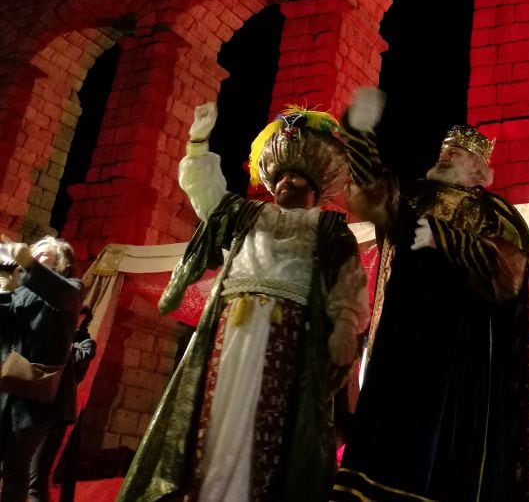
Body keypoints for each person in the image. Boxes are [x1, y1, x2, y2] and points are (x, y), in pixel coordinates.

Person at [118, 103, 369, 502]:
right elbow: (208, 198)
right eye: (281, 176)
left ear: (314, 189)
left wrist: (343, 326)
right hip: (229, 331)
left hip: (289, 336)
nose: (285, 182)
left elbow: (348, 283)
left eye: (295, 178)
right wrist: (198, 145)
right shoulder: (246, 214)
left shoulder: (329, 230)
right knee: (218, 411)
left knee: (271, 414)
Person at [332, 88, 529, 502]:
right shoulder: (412, 194)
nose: (445, 155)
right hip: (401, 327)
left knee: (444, 432)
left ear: (479, 169)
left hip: (458, 342)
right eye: (445, 150)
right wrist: (358, 133)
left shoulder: (494, 211)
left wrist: (447, 239)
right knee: (390, 419)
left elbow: (517, 270)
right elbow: (372, 191)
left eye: (457, 153)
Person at [0, 236, 84, 502]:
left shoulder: (71, 288)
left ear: (60, 261)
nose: (34, 252)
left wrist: (25, 260)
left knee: (17, 465)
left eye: (42, 251)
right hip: (6, 387)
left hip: (35, 393)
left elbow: (62, 295)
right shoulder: (20, 292)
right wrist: (4, 286)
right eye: (32, 249)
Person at [27, 305, 97, 502]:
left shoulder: (86, 343)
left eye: (79, 318)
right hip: (31, 409)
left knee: (36, 475)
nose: (75, 321)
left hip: (54, 415)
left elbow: (78, 358)